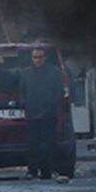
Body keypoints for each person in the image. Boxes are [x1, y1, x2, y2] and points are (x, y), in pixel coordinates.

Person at [21, 47, 65, 179]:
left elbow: (60, 91)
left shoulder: (54, 72)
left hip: (49, 114)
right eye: (35, 57)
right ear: (32, 59)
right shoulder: (26, 73)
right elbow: (22, 91)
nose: (38, 60)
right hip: (32, 114)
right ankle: (32, 171)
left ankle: (51, 170)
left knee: (50, 143)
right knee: (33, 144)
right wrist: (25, 104)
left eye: (40, 57)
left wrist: (51, 104)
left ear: (45, 58)